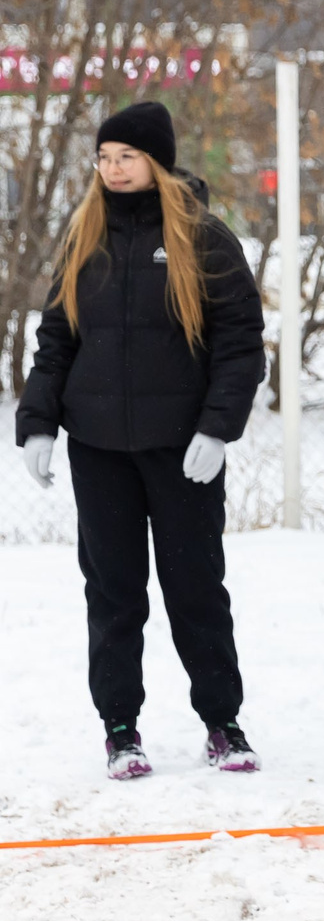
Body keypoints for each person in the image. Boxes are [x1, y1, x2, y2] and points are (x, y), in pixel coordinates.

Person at [12, 102, 264, 778]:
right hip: (99, 451)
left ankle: (223, 723)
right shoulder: (83, 237)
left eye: (127, 156)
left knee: (196, 589)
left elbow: (241, 344)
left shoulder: (203, 238)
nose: (114, 169)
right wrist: (37, 423)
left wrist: (217, 428)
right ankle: (120, 728)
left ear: (156, 161)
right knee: (113, 594)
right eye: (104, 157)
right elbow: (56, 340)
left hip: (182, 451)